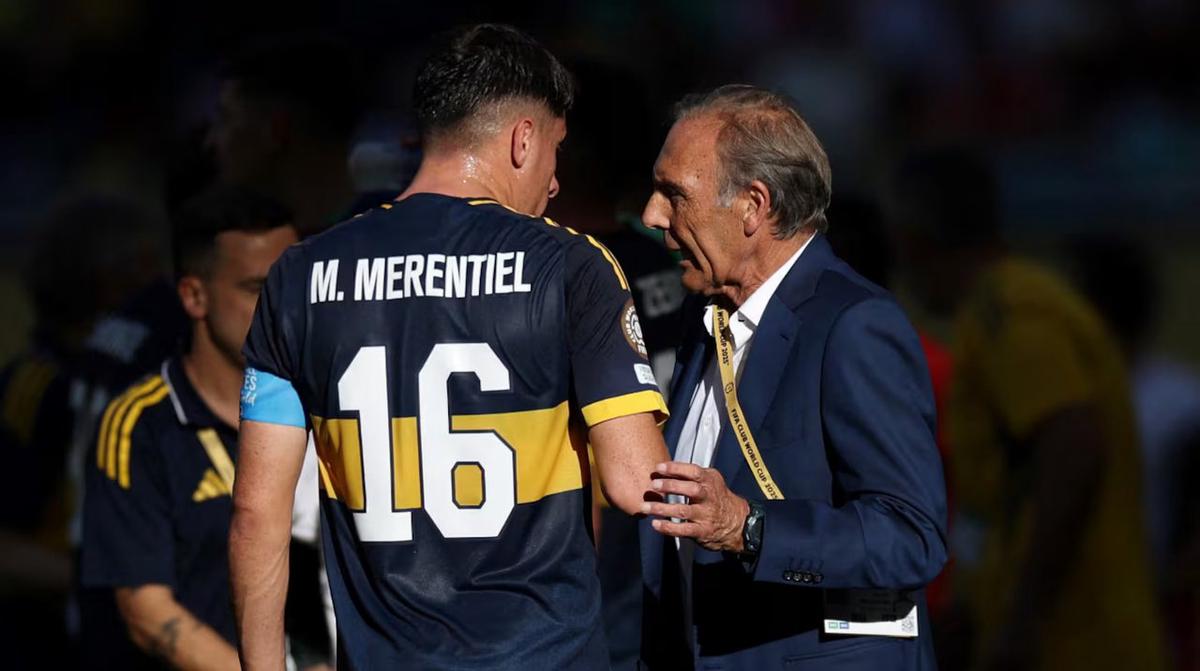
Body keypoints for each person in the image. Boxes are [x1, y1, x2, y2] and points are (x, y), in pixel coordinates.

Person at [231, 23, 670, 671]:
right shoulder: (572, 265)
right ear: (523, 139)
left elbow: (255, 514)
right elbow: (636, 482)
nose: (555, 182)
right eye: (556, 150)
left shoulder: (299, 276)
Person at [637, 85, 947, 670]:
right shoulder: (704, 314)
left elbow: (911, 536)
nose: (653, 215)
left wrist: (749, 528)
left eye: (674, 194)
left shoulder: (854, 325)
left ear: (754, 206)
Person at [890, 148, 1166, 671]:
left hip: (1075, 646)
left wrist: (1023, 621)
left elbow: (1074, 446)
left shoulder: (1011, 312)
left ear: (916, 237)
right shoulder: (996, 312)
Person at [79, 187, 300, 670]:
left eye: (294, 283)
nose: (284, 306)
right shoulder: (138, 424)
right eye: (258, 288)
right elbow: (147, 614)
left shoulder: (329, 400)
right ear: (194, 296)